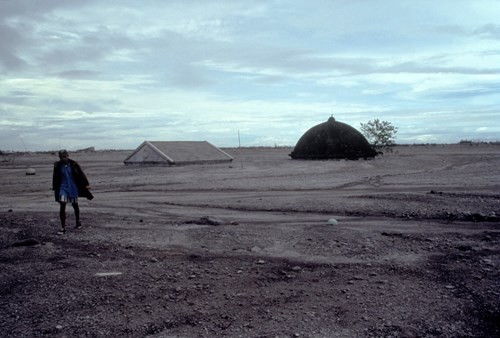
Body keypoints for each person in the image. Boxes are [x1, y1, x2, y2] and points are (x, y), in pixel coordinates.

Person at [52, 149, 93, 235]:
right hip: (63, 187)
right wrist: (55, 187)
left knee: (75, 204)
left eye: (65, 156)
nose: (64, 158)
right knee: (62, 204)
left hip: (73, 187)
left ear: (67, 156)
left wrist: (86, 184)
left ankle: (78, 221)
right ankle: (63, 228)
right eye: (61, 157)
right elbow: (55, 177)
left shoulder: (74, 164)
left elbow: (81, 174)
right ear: (59, 157)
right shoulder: (57, 165)